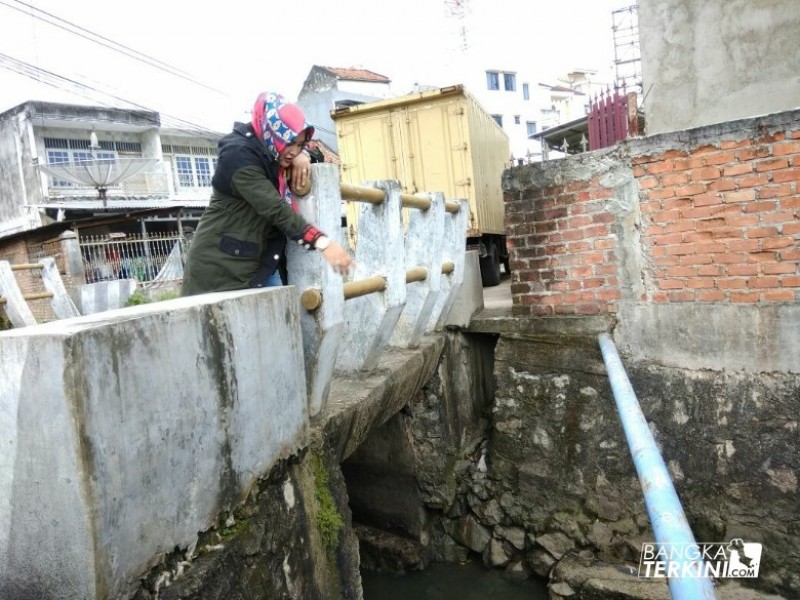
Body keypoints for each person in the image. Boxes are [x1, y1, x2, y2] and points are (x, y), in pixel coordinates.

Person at [181, 91, 353, 296]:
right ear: (273, 132)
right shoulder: (239, 156)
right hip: (219, 270)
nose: (293, 150)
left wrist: (303, 155)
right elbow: (276, 209)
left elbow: (316, 158)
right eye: (289, 141)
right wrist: (323, 242)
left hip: (258, 265)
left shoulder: (272, 151)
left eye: (299, 144)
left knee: (282, 323)